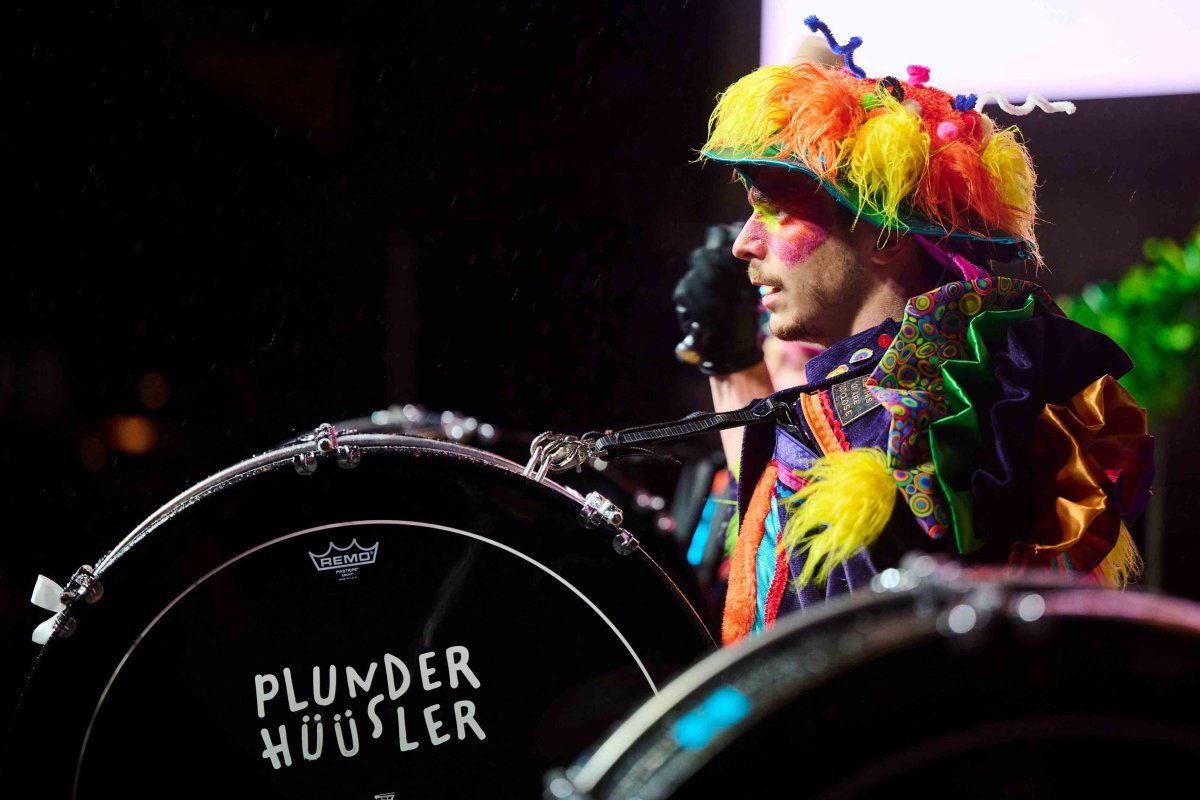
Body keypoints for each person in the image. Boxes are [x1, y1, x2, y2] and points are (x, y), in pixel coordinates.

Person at [672, 18, 1154, 645]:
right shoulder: (922, 388)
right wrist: (730, 362)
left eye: (778, 211)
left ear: (886, 234)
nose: (744, 243)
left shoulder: (920, 418)